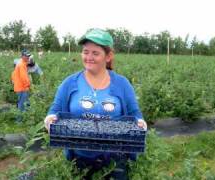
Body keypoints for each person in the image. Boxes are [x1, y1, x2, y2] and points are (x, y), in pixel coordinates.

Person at [44, 29, 147, 179]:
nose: (89, 57)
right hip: (79, 159)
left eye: (95, 53)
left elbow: (134, 113)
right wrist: (50, 119)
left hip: (115, 160)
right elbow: (55, 109)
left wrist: (140, 123)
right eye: (85, 52)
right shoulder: (70, 83)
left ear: (108, 56)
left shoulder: (122, 84)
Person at [11, 49, 31, 118]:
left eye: (28, 56)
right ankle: (19, 120)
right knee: (22, 104)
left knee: (22, 103)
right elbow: (24, 77)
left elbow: (13, 74)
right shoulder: (22, 65)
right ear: (22, 56)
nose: (28, 57)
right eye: (26, 56)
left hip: (19, 87)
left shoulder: (20, 64)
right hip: (22, 88)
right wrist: (28, 85)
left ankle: (22, 118)